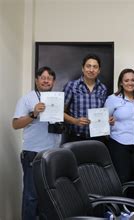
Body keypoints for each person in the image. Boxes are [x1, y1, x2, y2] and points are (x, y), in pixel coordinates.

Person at [12, 67, 61, 220]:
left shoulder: (56, 99)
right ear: (36, 80)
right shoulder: (27, 99)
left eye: (50, 78)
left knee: (48, 197)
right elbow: (16, 124)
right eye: (43, 77)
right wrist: (33, 114)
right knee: (31, 196)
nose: (46, 80)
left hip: (52, 153)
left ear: (53, 82)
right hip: (33, 153)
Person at [104, 68, 134, 198]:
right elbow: (102, 121)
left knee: (133, 180)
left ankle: (133, 212)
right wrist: (107, 121)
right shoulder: (112, 99)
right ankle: (120, 212)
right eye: (126, 80)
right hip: (119, 144)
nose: (130, 83)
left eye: (133, 80)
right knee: (123, 179)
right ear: (121, 83)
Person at [63, 54, 112, 142]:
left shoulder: (103, 88)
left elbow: (103, 112)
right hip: (75, 137)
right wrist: (75, 121)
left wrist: (108, 120)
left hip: (97, 138)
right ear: (83, 68)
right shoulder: (71, 86)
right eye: (88, 66)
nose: (91, 70)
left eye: (95, 67)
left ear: (99, 70)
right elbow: (60, 112)